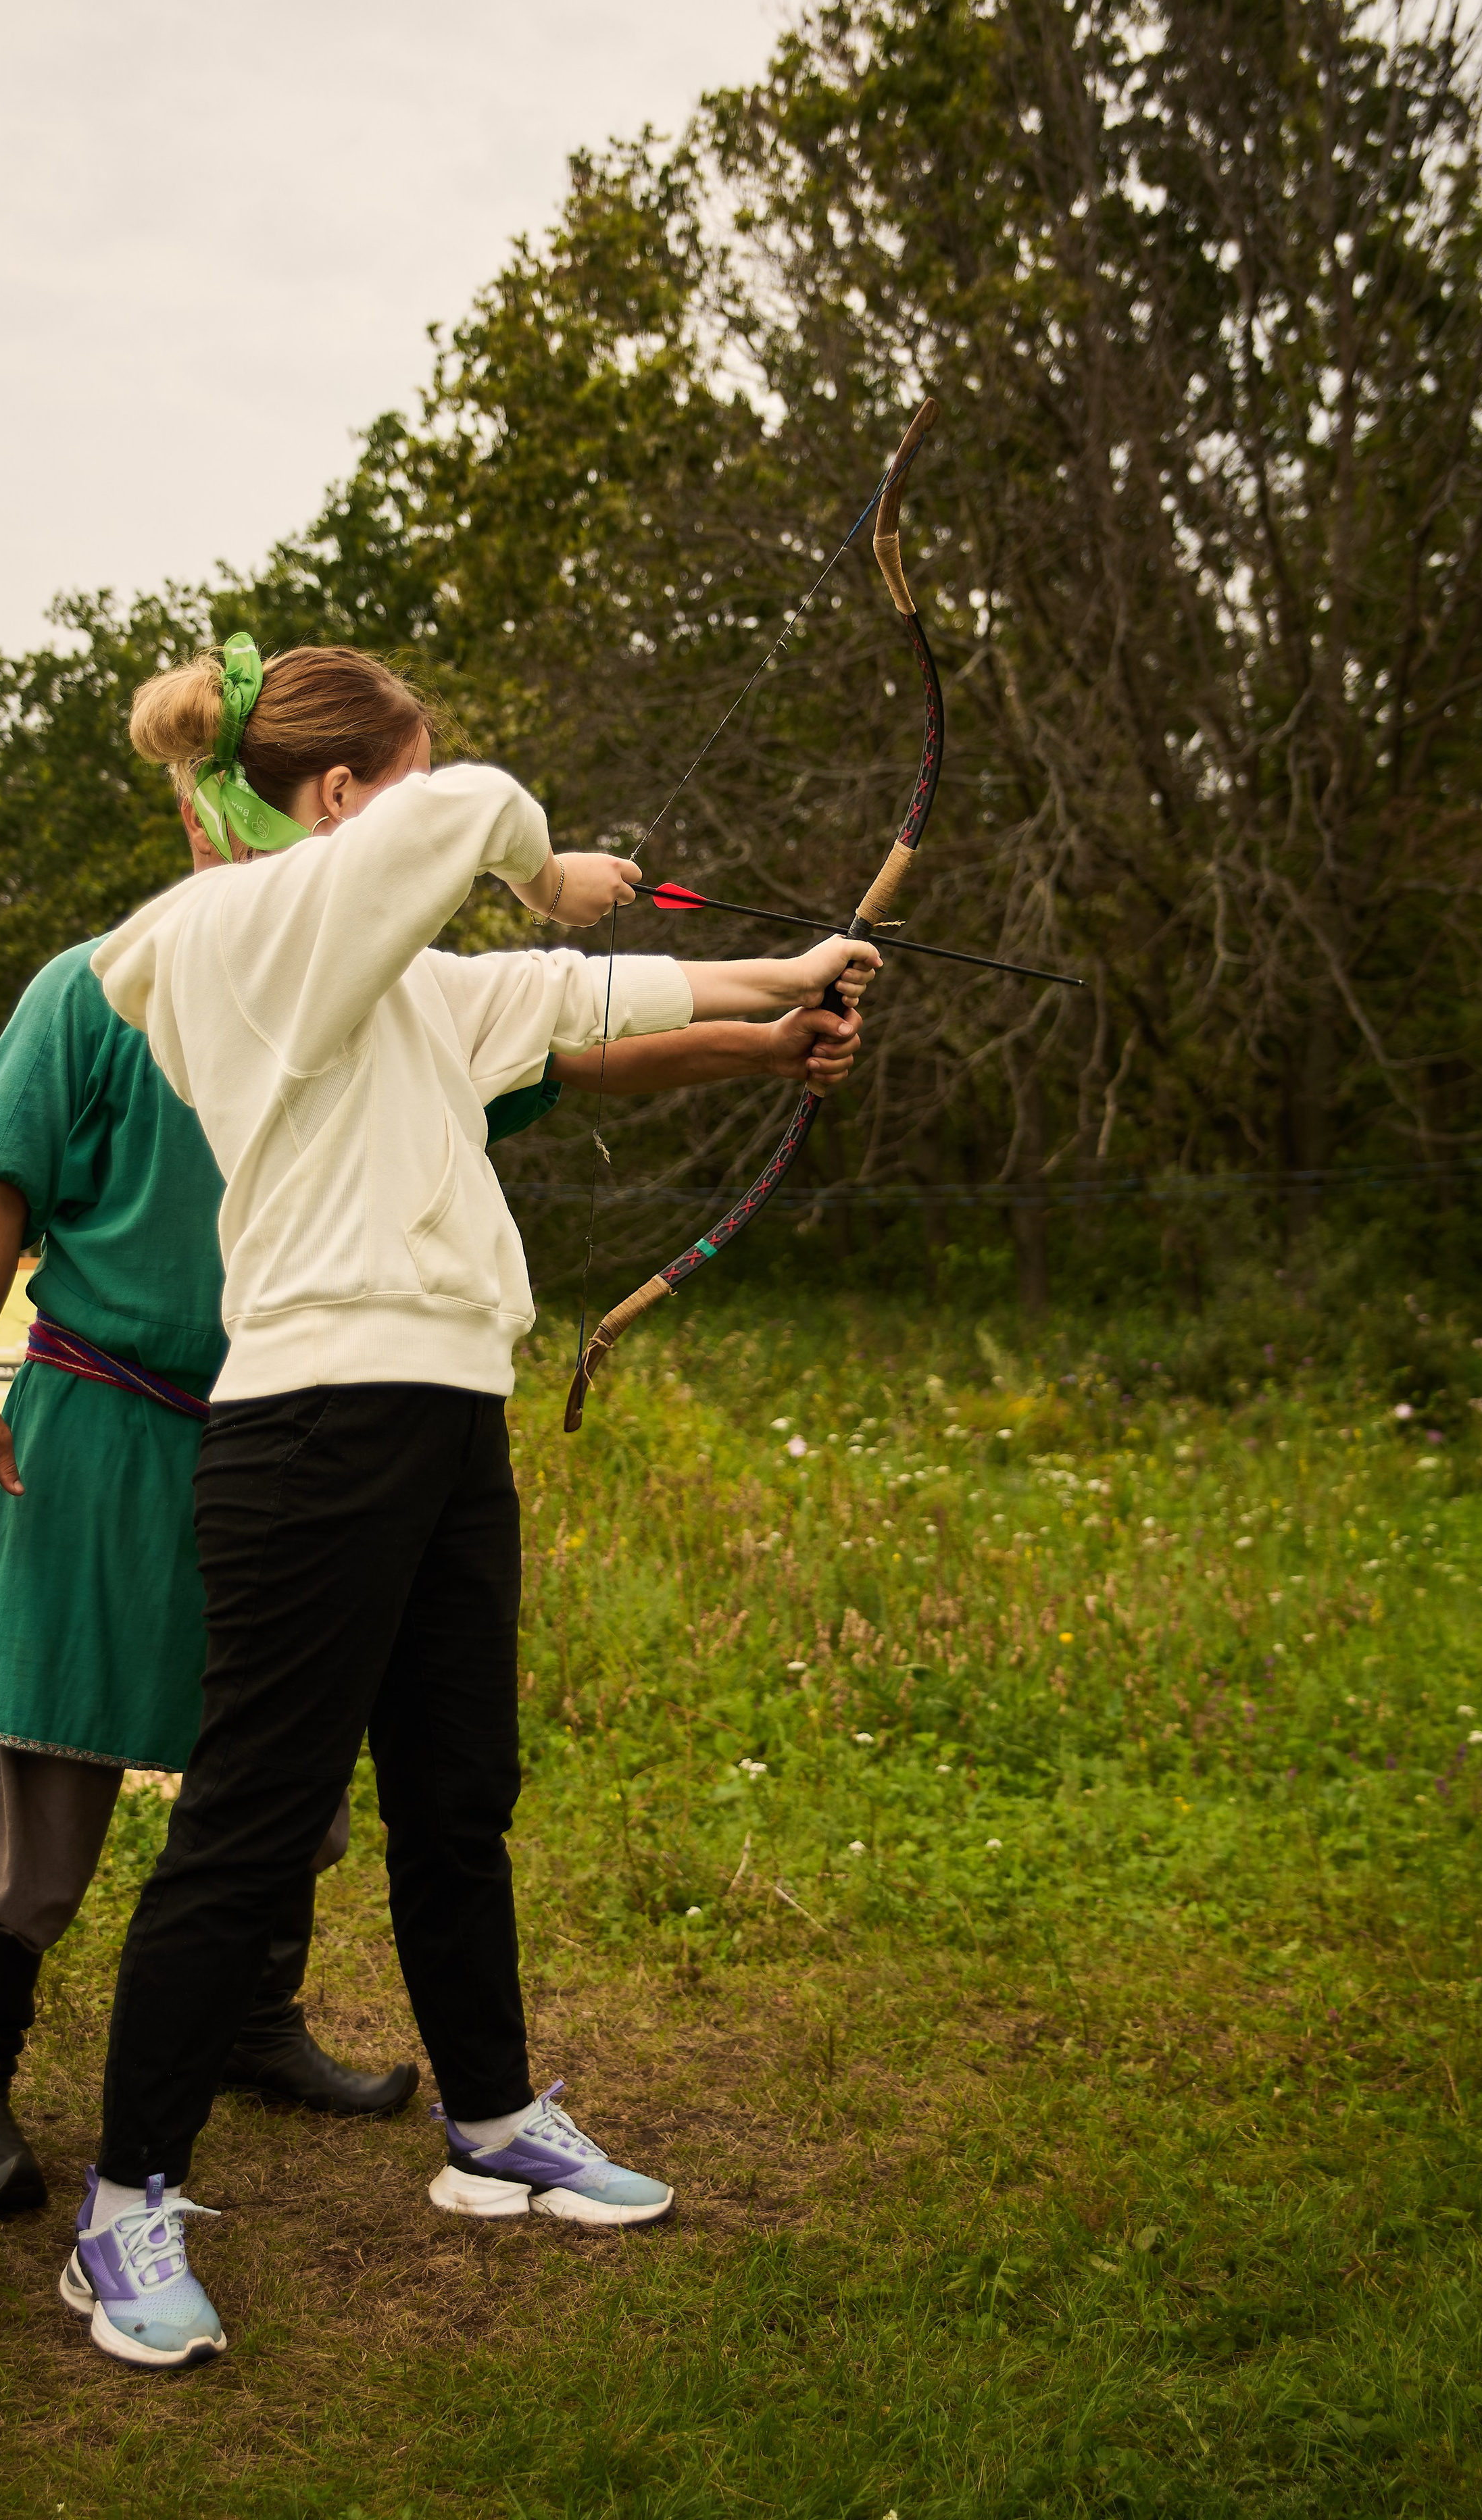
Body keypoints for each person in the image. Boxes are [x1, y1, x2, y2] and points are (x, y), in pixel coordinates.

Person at [57, 634, 879, 2368]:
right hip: (307, 1429)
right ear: (348, 799)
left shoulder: (396, 990)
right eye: (414, 781)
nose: (453, 810)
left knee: (456, 1791)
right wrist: (540, 860)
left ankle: (494, 2123)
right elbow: (497, 820)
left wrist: (790, 979)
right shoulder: (228, 945)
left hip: (445, 1410)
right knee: (253, 1817)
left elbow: (598, 998)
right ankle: (124, 2199)